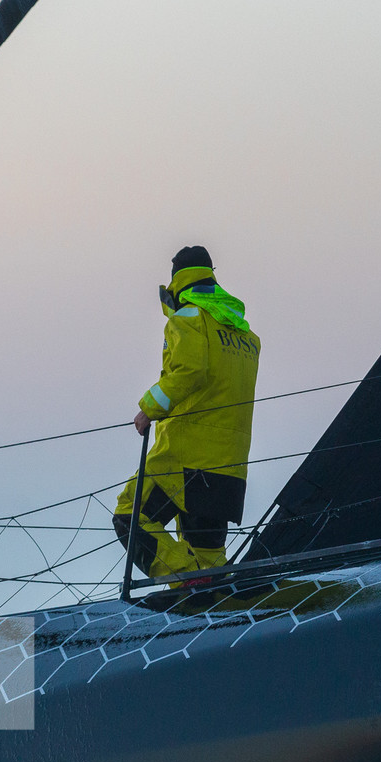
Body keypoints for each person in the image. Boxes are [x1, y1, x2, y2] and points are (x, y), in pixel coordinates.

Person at [113, 246, 261, 583]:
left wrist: (148, 409)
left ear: (176, 279)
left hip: (185, 456)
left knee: (129, 515)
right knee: (208, 552)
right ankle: (210, 595)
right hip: (230, 465)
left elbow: (190, 371)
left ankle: (187, 580)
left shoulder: (187, 319)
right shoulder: (245, 335)